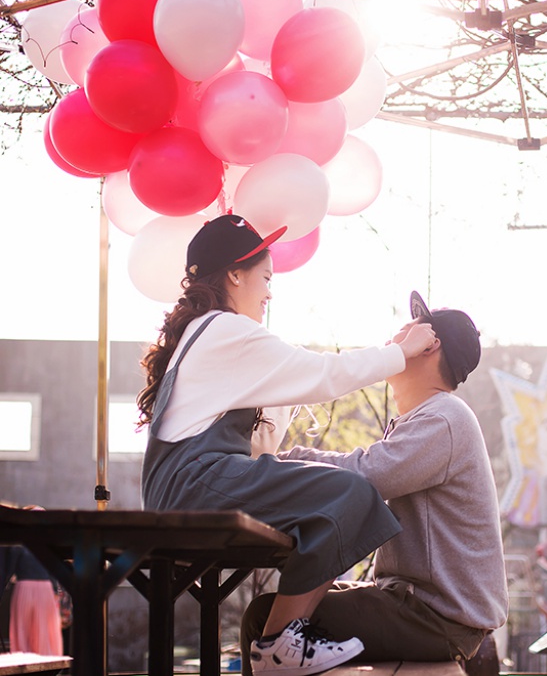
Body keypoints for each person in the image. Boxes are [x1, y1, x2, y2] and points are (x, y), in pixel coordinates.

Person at [136, 215, 436, 676]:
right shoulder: (224, 329)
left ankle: (283, 641)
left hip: (189, 483)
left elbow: (260, 448)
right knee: (349, 493)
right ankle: (279, 644)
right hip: (196, 482)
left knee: (333, 497)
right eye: (266, 277)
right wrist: (402, 352)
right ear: (235, 274)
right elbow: (325, 374)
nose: (270, 291)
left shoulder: (205, 333)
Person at [240, 291, 508, 674]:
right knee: (280, 612)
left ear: (429, 346)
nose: (392, 342)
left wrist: (279, 462)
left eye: (405, 332)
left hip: (437, 616)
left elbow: (366, 475)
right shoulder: (426, 418)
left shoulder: (444, 418)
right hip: (416, 603)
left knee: (265, 618)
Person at [2, 543, 63, 656]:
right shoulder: (46, 541)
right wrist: (55, 590)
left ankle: (23, 662)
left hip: (25, 586)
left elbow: (7, 569)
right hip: (46, 588)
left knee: (23, 630)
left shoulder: (16, 543)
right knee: (45, 630)